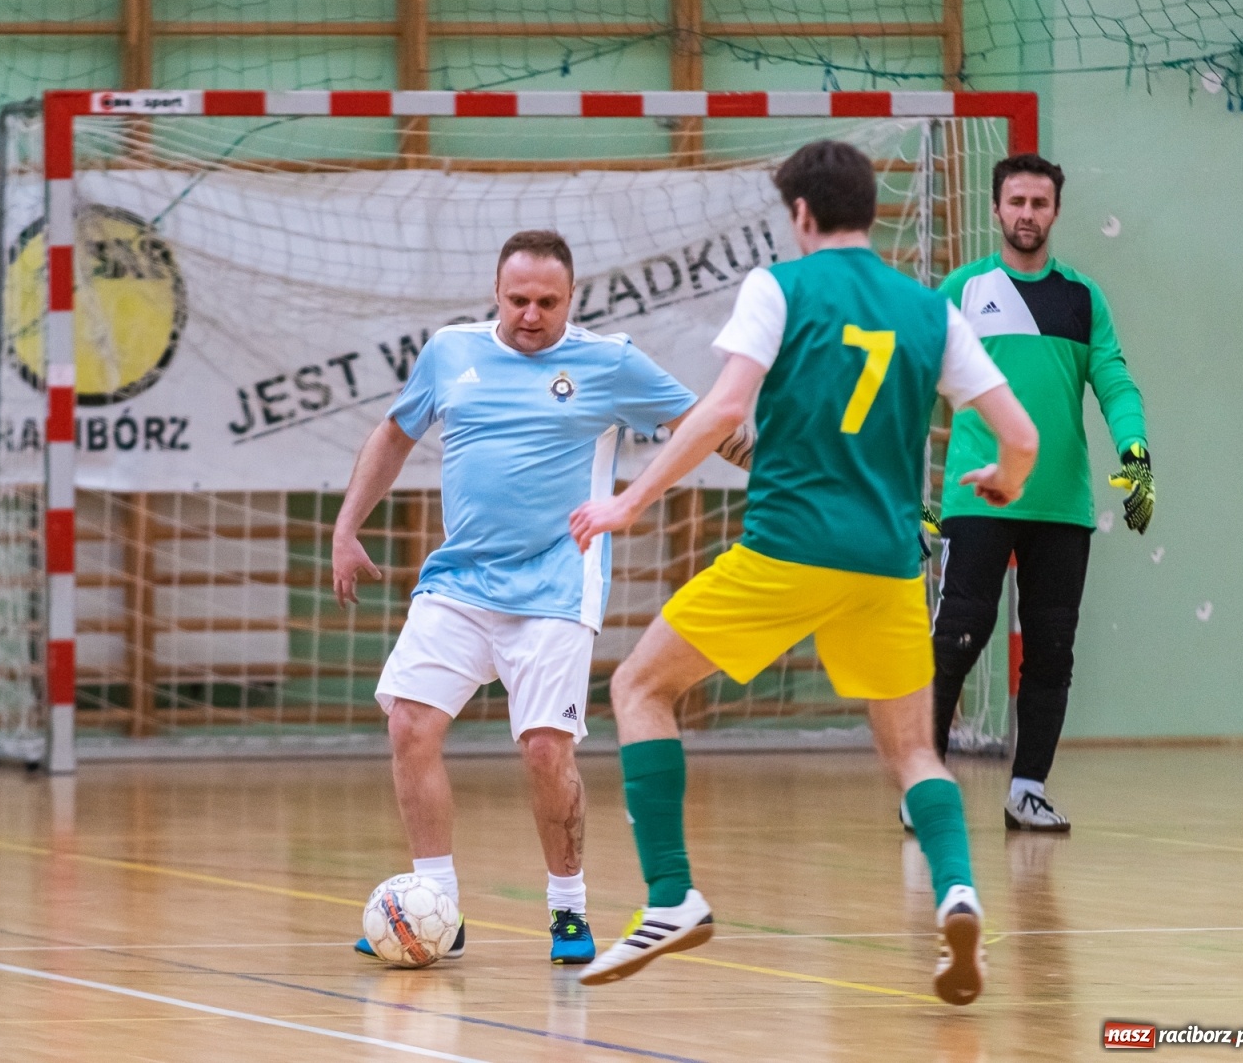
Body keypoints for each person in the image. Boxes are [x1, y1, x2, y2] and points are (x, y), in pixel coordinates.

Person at [567, 141, 1038, 1005]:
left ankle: (671, 897)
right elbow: (1022, 435)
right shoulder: (931, 311)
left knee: (639, 688)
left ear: (800, 215)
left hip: (787, 550)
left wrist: (630, 502)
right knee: (913, 753)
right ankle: (958, 891)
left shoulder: (777, 287)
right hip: (889, 567)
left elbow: (724, 408)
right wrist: (1007, 479)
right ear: (871, 210)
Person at [332, 229, 755, 965]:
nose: (531, 314)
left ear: (572, 298)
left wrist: (793, 470)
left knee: (542, 751)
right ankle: (439, 908)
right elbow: (394, 435)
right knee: (409, 725)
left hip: (559, 583)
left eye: (548, 302)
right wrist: (346, 528)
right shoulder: (451, 352)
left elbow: (709, 428)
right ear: (496, 294)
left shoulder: (609, 362)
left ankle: (567, 911)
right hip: (459, 580)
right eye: (518, 299)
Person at [927, 153, 1151, 832]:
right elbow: (909, 385)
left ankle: (1028, 789)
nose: (1028, 214)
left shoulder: (1082, 298)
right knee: (959, 638)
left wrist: (1136, 452)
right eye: (1016, 202)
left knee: (1053, 648)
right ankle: (925, 784)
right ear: (996, 209)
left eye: (1040, 203)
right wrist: (903, 491)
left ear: (1055, 211)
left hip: (1061, 506)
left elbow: (1114, 381)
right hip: (976, 499)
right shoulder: (962, 291)